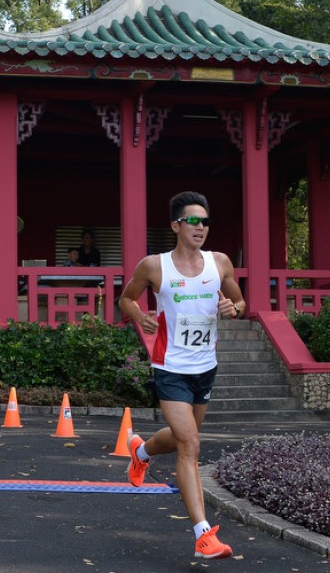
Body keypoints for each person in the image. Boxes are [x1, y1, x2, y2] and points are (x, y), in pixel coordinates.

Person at [118, 191, 245, 560]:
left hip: (206, 367)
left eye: (205, 221)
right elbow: (126, 298)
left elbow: (240, 302)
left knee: (179, 437)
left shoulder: (219, 262)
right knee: (190, 445)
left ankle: (140, 451)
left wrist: (231, 307)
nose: (201, 227)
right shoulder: (154, 266)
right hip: (170, 367)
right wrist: (138, 315)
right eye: (193, 221)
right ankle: (203, 535)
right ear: (176, 225)